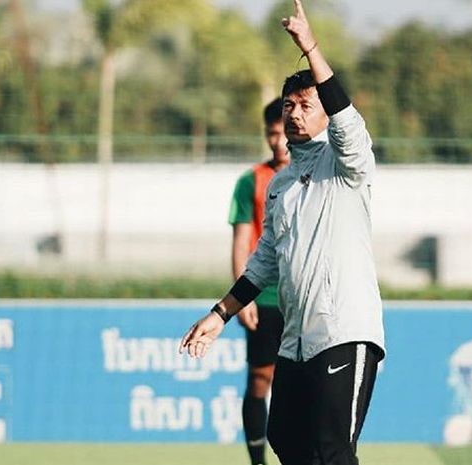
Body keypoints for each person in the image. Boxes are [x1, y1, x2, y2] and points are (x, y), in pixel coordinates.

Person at [180, 1, 385, 464]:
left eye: (305, 105)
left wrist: (310, 48)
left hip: (344, 332)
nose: (293, 113)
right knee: (286, 440)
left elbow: (348, 123)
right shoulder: (281, 184)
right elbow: (263, 261)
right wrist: (219, 314)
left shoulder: (347, 165)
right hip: (296, 339)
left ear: (325, 114)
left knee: (333, 452)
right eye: (288, 105)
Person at [228, 98, 289, 465]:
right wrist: (241, 298)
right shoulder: (251, 181)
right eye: (272, 133)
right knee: (259, 381)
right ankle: (257, 461)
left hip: (301, 297)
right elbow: (239, 242)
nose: (278, 141)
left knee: (300, 385)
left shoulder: (313, 173)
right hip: (263, 298)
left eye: (282, 132)